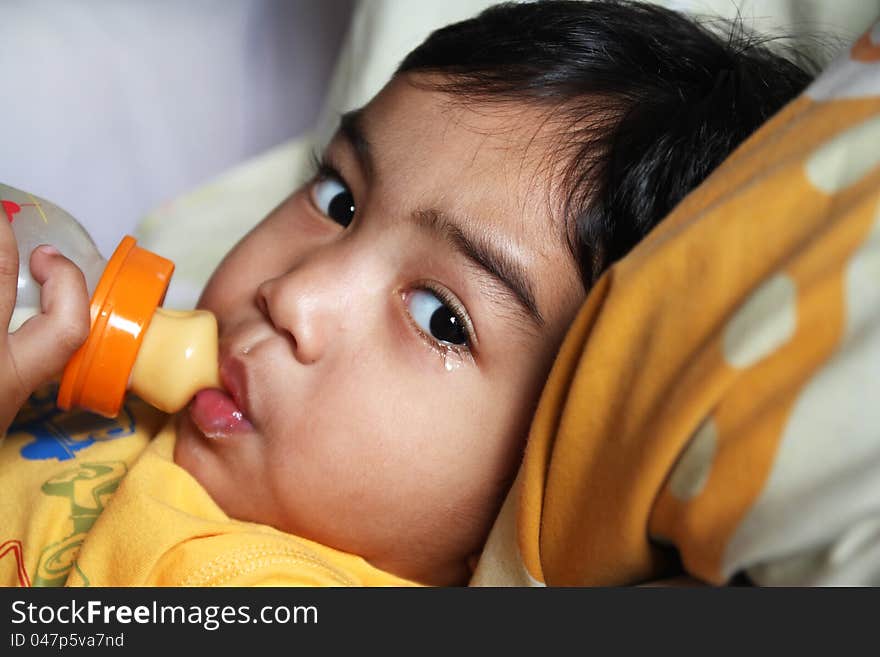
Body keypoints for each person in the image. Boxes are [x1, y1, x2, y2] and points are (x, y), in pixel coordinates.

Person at [0, 0, 815, 587]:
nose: (295, 295)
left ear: (551, 483)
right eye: (339, 201)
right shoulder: (114, 396)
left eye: (441, 319)